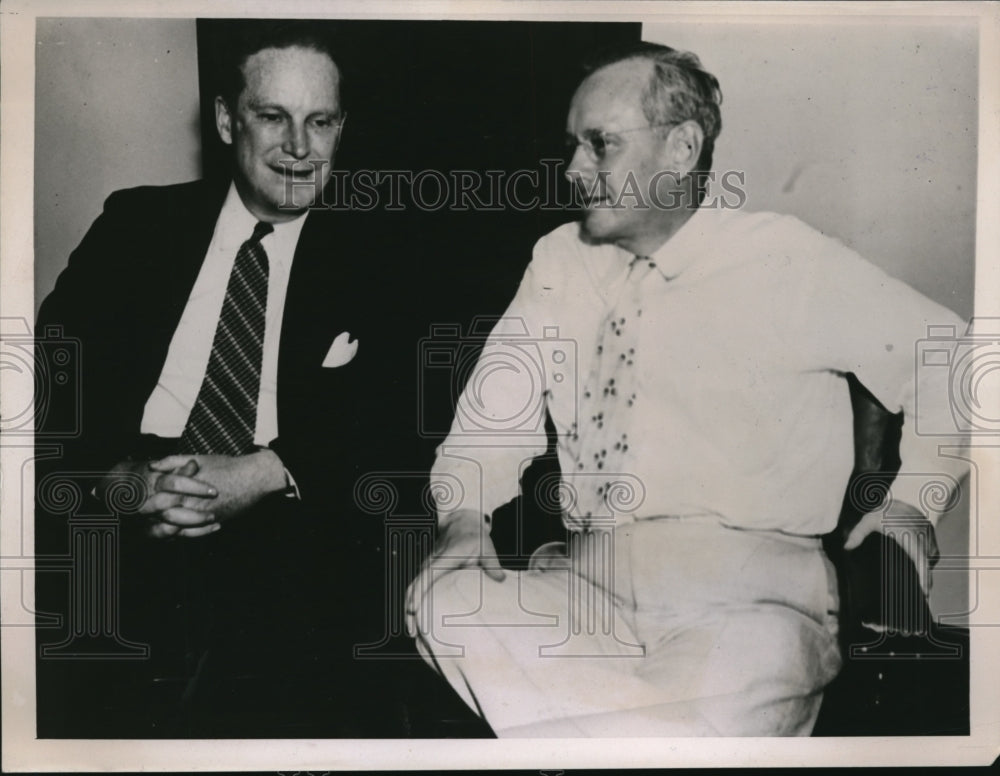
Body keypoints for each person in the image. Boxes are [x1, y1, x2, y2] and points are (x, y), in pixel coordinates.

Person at [406, 41, 969, 737]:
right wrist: (464, 523)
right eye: (572, 145)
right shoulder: (557, 261)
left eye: (599, 145)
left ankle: (597, 737)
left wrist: (916, 502)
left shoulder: (781, 256)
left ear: (681, 147)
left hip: (748, 610)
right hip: (582, 595)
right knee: (442, 599)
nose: (575, 170)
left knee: (713, 691)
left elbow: (952, 354)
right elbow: (482, 436)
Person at [34, 21, 417, 736]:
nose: (299, 148)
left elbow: (401, 413)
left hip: (288, 520)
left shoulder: (383, 252)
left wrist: (269, 470)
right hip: (120, 507)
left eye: (320, 121)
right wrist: (121, 479)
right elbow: (49, 386)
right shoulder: (137, 224)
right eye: (272, 116)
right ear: (223, 119)